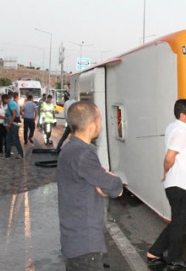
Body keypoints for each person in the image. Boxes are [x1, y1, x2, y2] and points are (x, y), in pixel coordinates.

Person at [57, 101, 123, 270]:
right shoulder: (84, 153)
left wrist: (100, 180)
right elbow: (115, 187)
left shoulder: (69, 147)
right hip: (84, 243)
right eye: (100, 120)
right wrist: (110, 179)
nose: (101, 124)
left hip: (73, 238)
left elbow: (96, 182)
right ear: (92, 125)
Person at [147, 99, 186, 269]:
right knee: (179, 224)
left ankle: (155, 251)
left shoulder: (174, 127)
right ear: (182, 115)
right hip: (181, 185)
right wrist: (165, 170)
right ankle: (174, 258)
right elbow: (170, 157)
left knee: (177, 222)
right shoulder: (180, 131)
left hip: (178, 184)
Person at [5, 92, 23, 159]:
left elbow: (14, 114)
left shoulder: (11, 103)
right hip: (13, 123)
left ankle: (20, 153)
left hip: (14, 124)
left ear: (5, 99)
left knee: (15, 139)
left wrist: (9, 124)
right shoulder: (13, 103)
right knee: (8, 139)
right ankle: (8, 154)